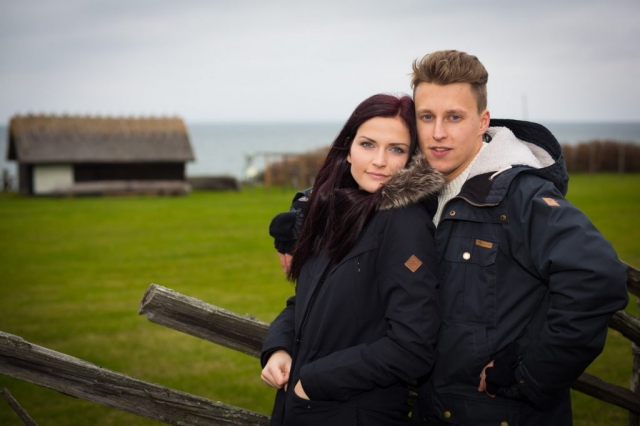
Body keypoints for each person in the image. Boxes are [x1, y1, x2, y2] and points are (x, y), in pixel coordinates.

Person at [268, 51, 629, 426]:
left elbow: (597, 277)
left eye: (454, 117)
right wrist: (301, 217)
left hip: (500, 414)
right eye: (427, 117)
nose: (438, 132)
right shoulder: (422, 186)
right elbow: (356, 184)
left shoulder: (520, 197)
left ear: (482, 121)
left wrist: (526, 371)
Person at [260, 93, 444, 426]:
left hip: (351, 412)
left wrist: (312, 382)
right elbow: (304, 302)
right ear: (348, 149)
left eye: (396, 149)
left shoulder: (405, 224)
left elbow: (412, 346)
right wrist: (279, 348)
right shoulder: (338, 211)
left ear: (412, 159)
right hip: (300, 411)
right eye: (368, 144)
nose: (379, 161)